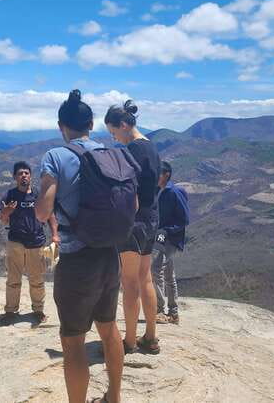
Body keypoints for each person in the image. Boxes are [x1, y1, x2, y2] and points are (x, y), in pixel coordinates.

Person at [35, 90, 126, 403]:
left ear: (62, 126)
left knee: (73, 341)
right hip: (110, 256)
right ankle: (113, 397)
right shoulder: (112, 154)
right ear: (91, 124)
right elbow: (135, 202)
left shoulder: (56, 157)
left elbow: (43, 212)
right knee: (109, 328)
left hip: (77, 261)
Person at [105, 100, 162, 355]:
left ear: (125, 125)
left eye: (114, 132)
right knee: (145, 278)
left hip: (134, 222)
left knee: (129, 282)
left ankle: (128, 340)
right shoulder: (151, 148)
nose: (114, 138)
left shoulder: (132, 151)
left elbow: (132, 194)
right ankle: (150, 337)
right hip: (151, 219)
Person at [0, 161, 58, 325]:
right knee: (13, 279)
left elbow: (51, 215)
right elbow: (3, 220)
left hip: (36, 242)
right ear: (15, 177)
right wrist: (7, 211)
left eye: (26, 173)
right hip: (16, 242)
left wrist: (55, 235)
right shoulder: (9, 196)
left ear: (30, 176)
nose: (23, 176)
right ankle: (11, 311)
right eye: (20, 174)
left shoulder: (39, 195)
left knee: (37, 280)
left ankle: (38, 310)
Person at [152, 161, 189, 325]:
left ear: (166, 175)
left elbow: (184, 219)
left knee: (155, 270)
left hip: (169, 237)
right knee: (168, 274)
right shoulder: (158, 190)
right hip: (160, 235)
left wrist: (165, 230)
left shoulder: (173, 192)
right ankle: (173, 313)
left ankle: (159, 310)